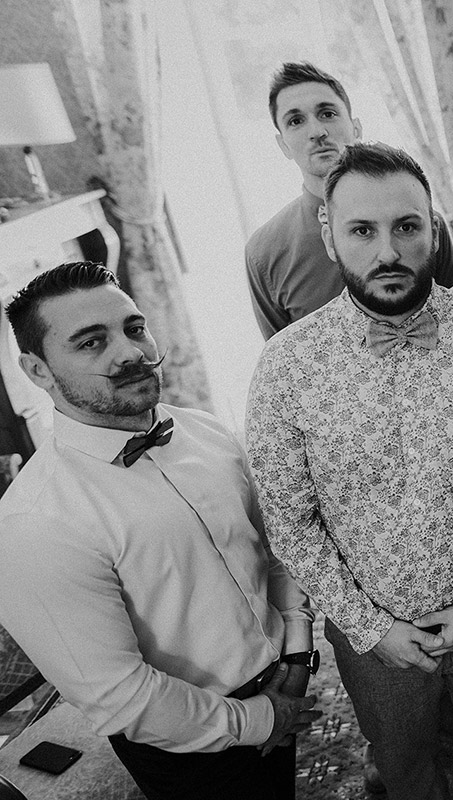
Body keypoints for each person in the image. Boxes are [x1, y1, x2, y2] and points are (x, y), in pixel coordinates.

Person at [246, 142, 453, 800]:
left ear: (434, 231)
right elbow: (290, 523)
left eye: (407, 227)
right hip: (372, 636)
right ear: (330, 236)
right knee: (403, 759)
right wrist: (371, 628)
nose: (387, 251)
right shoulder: (285, 366)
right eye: (363, 230)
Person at [0, 262, 320, 800]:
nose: (129, 352)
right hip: (185, 743)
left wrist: (296, 653)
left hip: (283, 678)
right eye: (91, 342)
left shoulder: (206, 431)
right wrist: (262, 719)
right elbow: (121, 695)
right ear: (38, 370)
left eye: (134, 328)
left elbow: (274, 551)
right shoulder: (34, 523)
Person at [245, 61, 453, 340]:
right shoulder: (264, 252)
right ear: (283, 144)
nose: (317, 132)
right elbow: (283, 355)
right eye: (296, 121)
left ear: (356, 127)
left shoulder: (424, 227)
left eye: (328, 113)